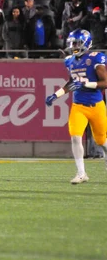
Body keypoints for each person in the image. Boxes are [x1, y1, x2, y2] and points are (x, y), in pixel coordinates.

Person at [46, 30, 107, 184]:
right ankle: (81, 173)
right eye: (72, 43)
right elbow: (71, 83)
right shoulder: (70, 61)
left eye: (78, 43)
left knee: (102, 141)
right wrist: (56, 95)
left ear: (86, 43)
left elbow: (105, 82)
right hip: (78, 106)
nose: (74, 46)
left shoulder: (95, 58)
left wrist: (85, 83)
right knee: (75, 136)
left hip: (96, 105)